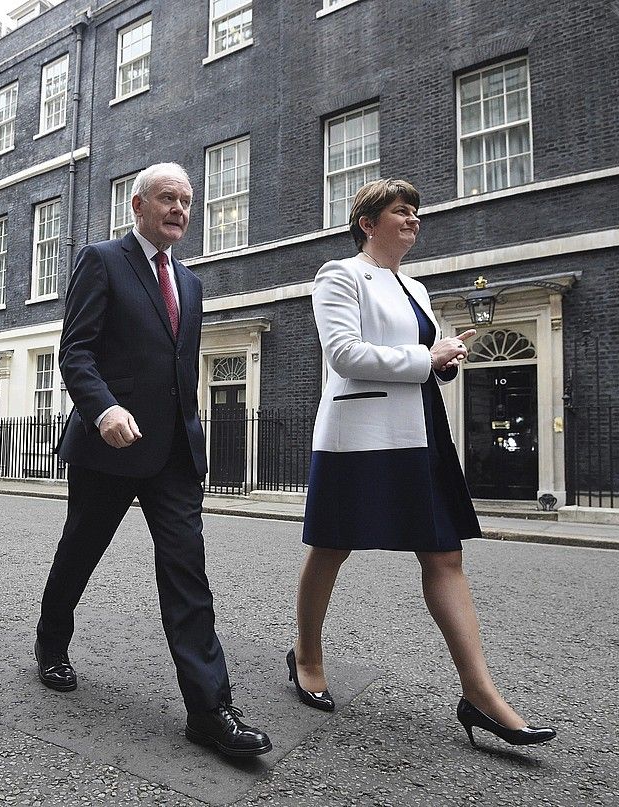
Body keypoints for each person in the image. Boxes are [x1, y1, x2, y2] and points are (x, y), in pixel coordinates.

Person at [289, 178, 556, 748]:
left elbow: (416, 359)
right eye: (401, 213)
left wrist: (443, 362)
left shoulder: (416, 284)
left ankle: (480, 694)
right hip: (359, 434)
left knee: (444, 554)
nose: (413, 221)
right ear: (368, 222)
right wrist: (424, 356)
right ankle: (307, 655)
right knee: (333, 545)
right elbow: (344, 354)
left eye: (415, 214)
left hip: (420, 429)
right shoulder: (340, 275)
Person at [36, 163, 271, 757]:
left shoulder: (190, 283)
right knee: (80, 551)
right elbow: (76, 352)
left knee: (187, 572)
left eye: (187, 202)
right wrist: (103, 409)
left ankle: (209, 709)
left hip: (172, 455)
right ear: (137, 204)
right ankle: (52, 638)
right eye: (168, 199)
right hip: (111, 445)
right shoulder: (102, 260)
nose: (180, 210)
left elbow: (177, 369)